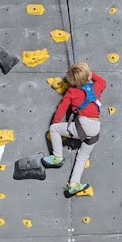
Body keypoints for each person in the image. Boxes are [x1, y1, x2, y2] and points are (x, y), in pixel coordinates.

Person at [42, 61, 106, 196]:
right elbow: (102, 81)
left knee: (54, 129)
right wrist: (89, 75)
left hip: (82, 126)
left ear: (73, 82)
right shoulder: (97, 86)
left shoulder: (72, 92)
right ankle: (74, 184)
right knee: (82, 157)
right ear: (89, 76)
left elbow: (61, 109)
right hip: (95, 129)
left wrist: (55, 122)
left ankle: (57, 157)